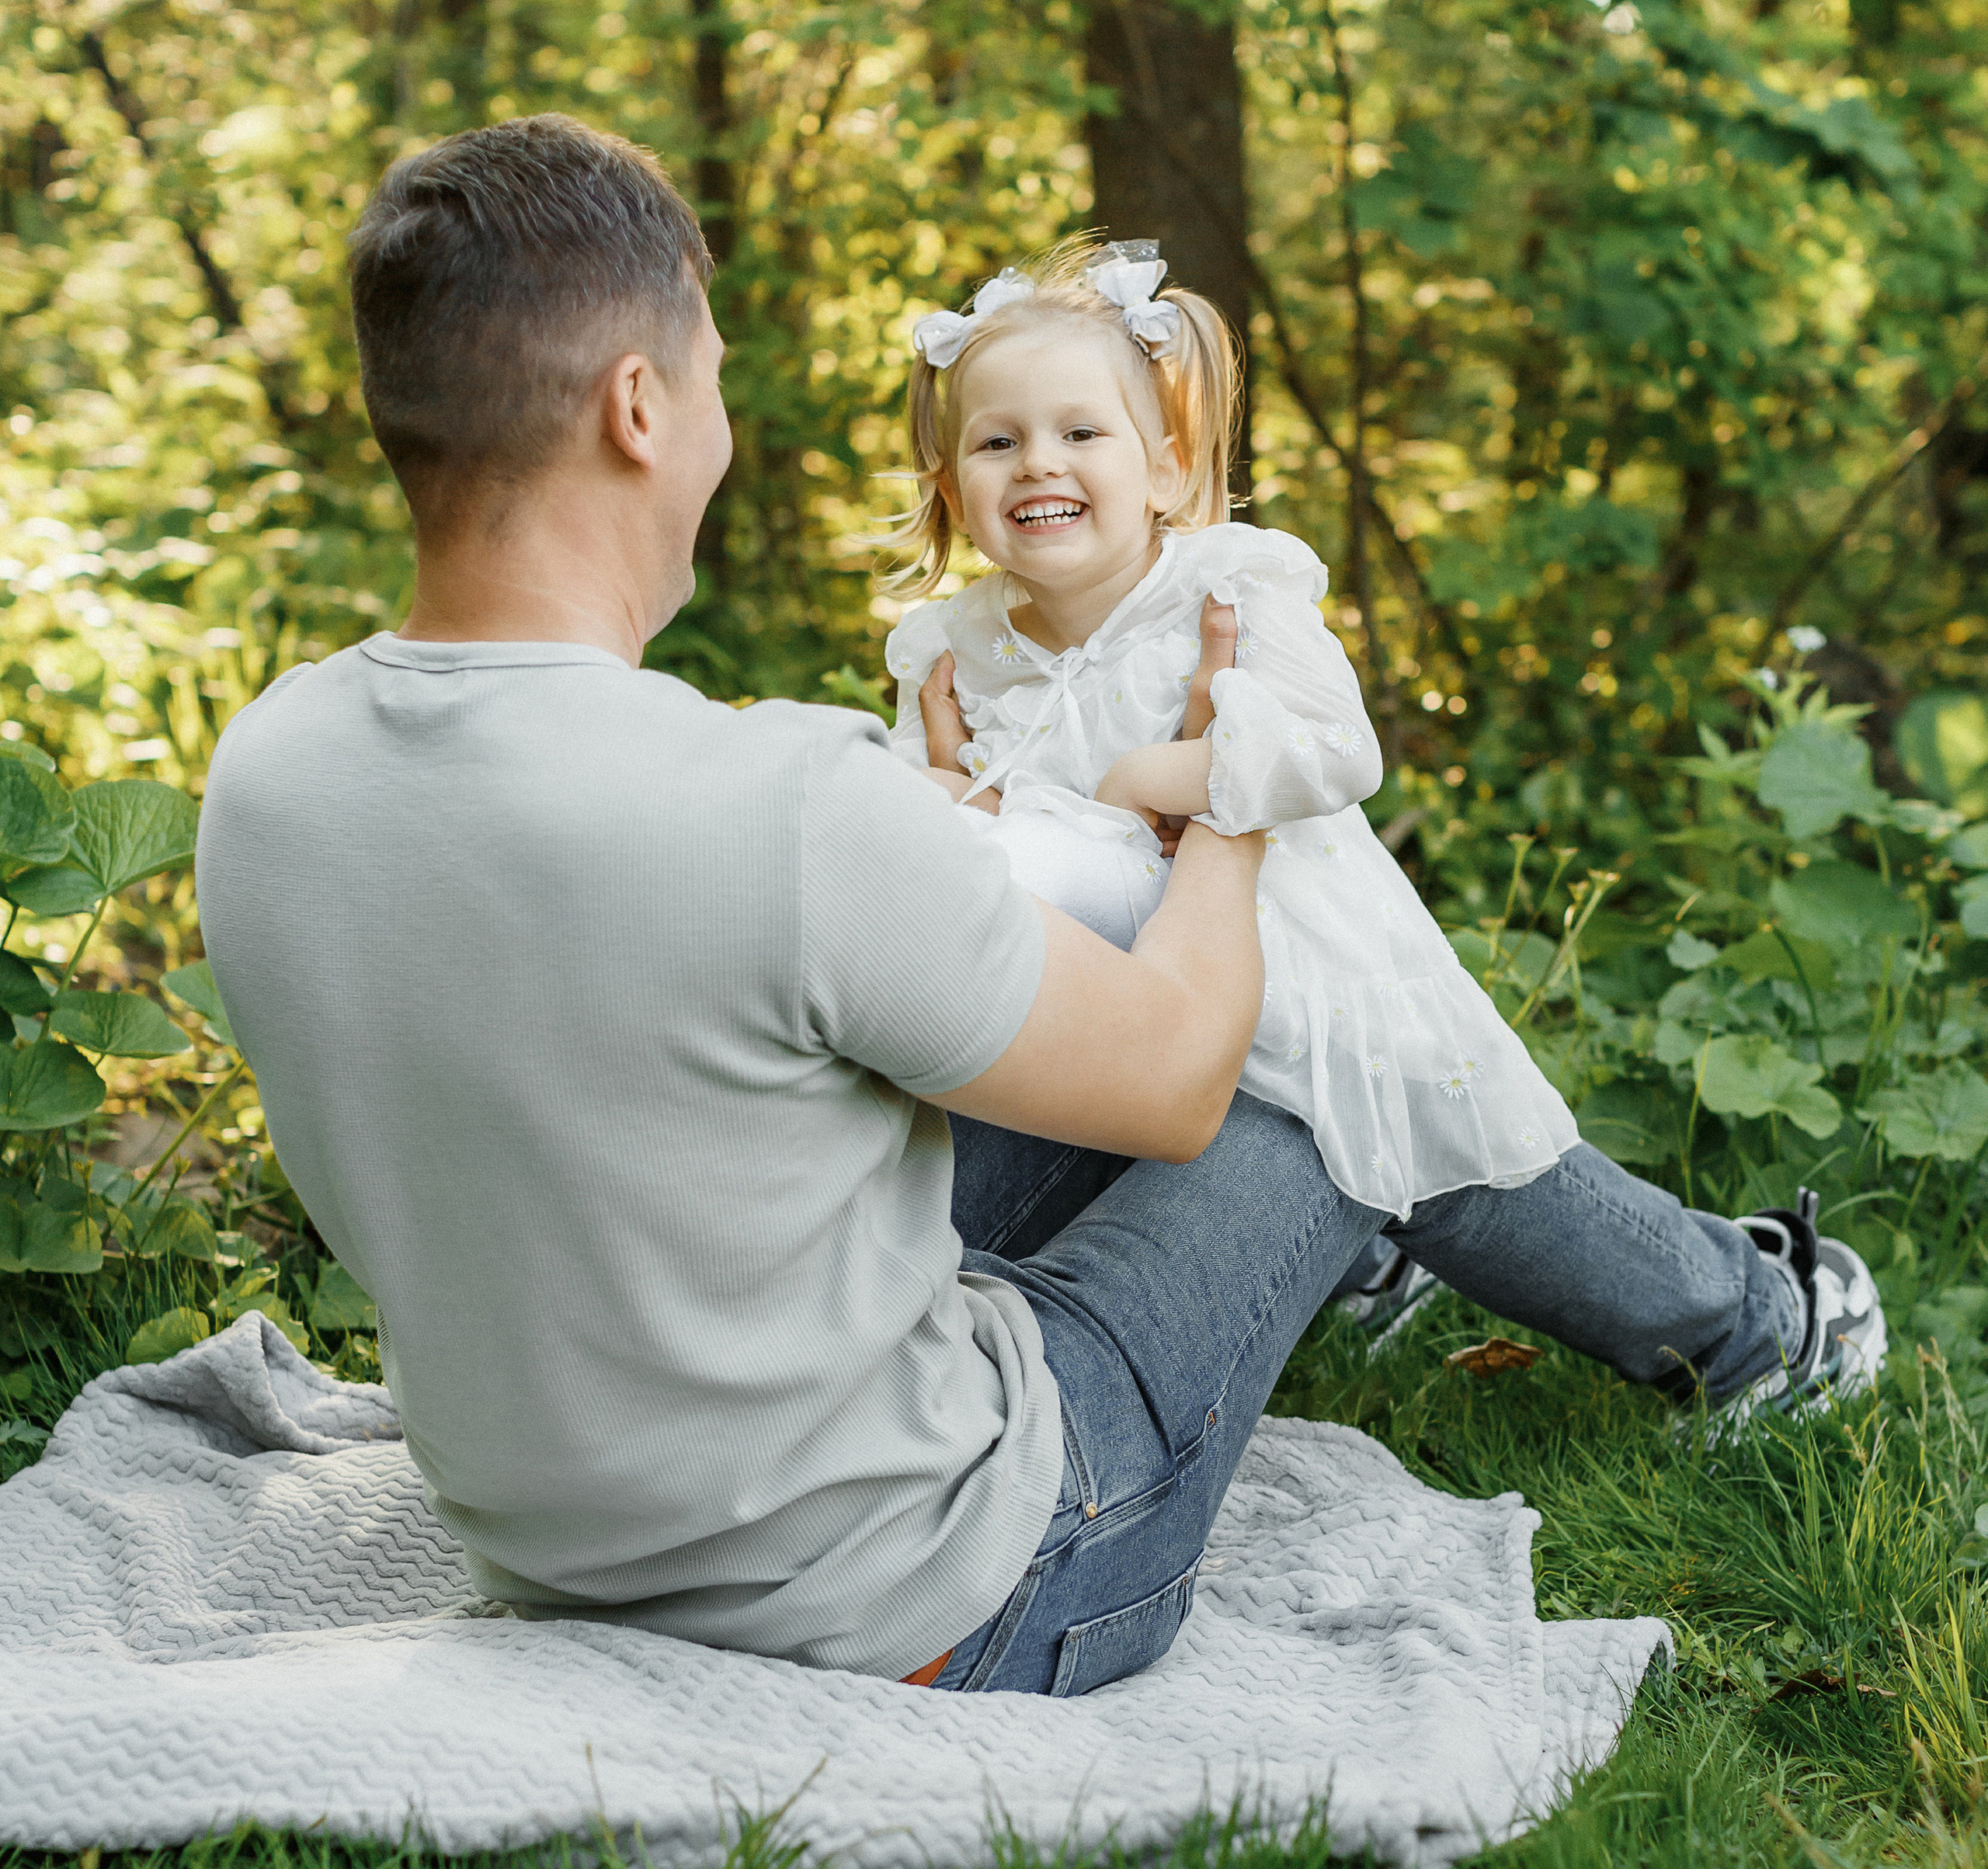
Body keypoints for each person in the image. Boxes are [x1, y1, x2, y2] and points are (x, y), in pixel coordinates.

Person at [195, 114, 1883, 1707]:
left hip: (544, 1548)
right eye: (713, 376)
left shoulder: (266, 777)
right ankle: (1742, 1322)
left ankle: (1546, 1293)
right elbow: (1177, 1081)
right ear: (639, 407)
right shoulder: (781, 795)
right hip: (943, 1598)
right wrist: (1223, 798)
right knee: (1318, 1085)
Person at [878, 238, 1578, 1221]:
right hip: (1117, 1021)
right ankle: (1348, 1258)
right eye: (997, 442)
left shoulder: (1229, 589)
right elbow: (937, 817)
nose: (1038, 460)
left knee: (1499, 1196)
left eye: (1081, 433)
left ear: (1164, 470)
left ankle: (1744, 1311)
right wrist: (952, 792)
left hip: (1300, 970)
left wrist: (1139, 779)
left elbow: (1339, 752)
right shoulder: (951, 648)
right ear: (955, 493)